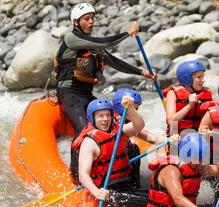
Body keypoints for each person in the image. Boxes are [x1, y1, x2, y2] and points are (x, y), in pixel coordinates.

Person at [53, 2, 156, 181]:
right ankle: (76, 175)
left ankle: (120, 171)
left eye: (93, 18)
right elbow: (107, 41)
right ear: (76, 23)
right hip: (69, 93)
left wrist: (141, 72)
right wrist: (127, 33)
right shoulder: (72, 39)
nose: (91, 21)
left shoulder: (92, 46)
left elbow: (114, 62)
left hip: (86, 94)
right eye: (87, 19)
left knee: (111, 125)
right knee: (83, 127)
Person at [72, 97, 148, 207]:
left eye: (107, 115)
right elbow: (83, 175)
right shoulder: (89, 143)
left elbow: (139, 125)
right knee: (153, 203)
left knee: (157, 196)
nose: (105, 119)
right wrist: (96, 192)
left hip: (126, 187)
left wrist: (131, 109)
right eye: (100, 116)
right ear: (93, 118)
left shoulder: (118, 131)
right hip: (108, 192)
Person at [146, 133, 219, 207]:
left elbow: (217, 169)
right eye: (199, 159)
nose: (202, 163)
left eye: (203, 158)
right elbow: (178, 199)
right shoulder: (171, 171)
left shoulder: (195, 166)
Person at [112, 88, 167, 189]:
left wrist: (163, 139)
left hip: (120, 166)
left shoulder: (126, 120)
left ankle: (135, 186)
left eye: (136, 109)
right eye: (134, 109)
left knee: (133, 148)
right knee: (133, 148)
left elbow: (145, 135)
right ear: (121, 107)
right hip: (111, 168)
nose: (135, 112)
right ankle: (132, 187)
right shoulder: (112, 121)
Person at [162, 60, 216, 136]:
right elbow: (171, 121)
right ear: (187, 79)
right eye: (199, 77)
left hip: (200, 134)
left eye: (203, 77)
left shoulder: (206, 93)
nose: (203, 80)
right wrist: (189, 106)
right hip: (179, 136)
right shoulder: (172, 93)